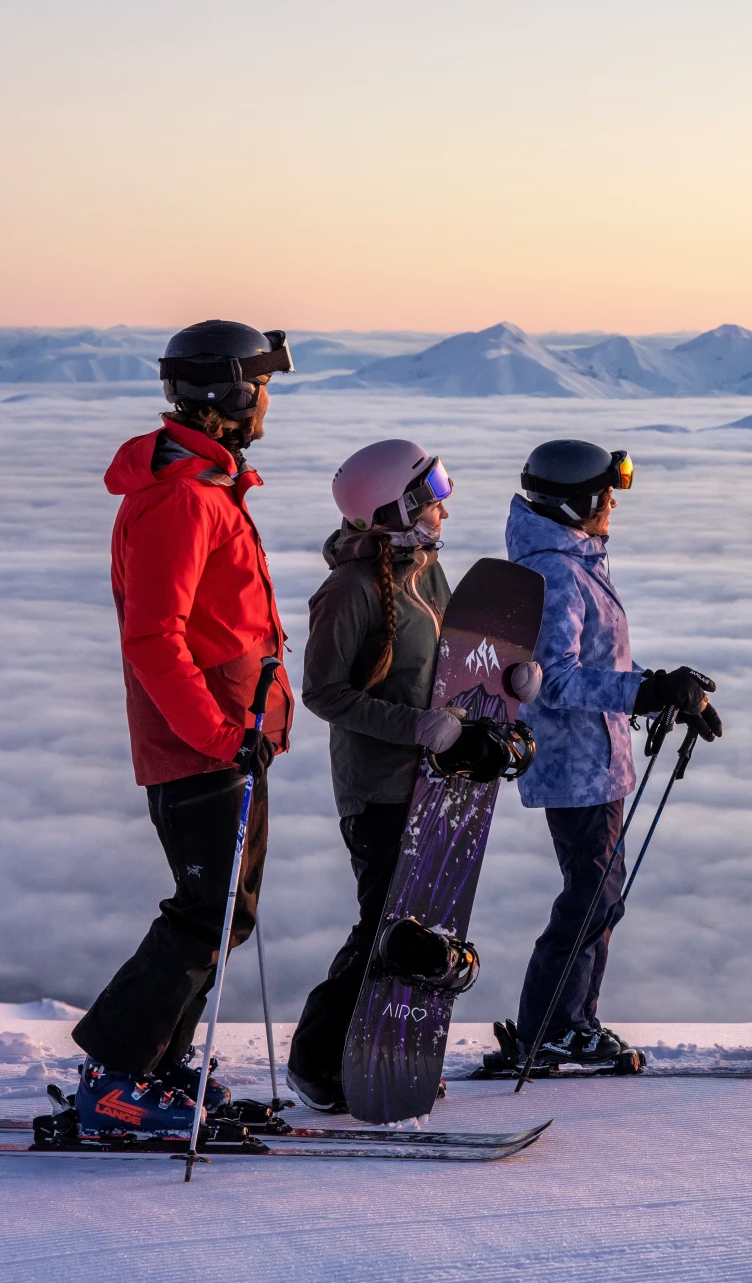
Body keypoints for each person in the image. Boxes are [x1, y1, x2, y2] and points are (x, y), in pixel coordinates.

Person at [70, 319, 296, 1139]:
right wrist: (216, 731)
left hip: (233, 738)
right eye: (262, 383)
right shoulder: (179, 502)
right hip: (202, 744)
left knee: (224, 915)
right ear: (230, 394)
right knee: (204, 913)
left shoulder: (209, 491)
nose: (269, 397)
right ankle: (117, 1079)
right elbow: (153, 638)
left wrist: (248, 725)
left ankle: (156, 1068)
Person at [480, 439, 715, 1077]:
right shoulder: (555, 571)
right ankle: (552, 1027)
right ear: (574, 500)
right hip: (575, 765)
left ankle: (569, 1022)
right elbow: (553, 679)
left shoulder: (573, 560)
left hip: (595, 760)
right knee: (591, 896)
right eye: (605, 492)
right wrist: (646, 689)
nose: (612, 502)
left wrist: (664, 690)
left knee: (598, 896)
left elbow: (598, 666)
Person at [283, 439, 469, 1113]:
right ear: (396, 507)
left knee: (415, 929)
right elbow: (325, 694)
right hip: (378, 788)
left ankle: (381, 1050)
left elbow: (453, 667)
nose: (444, 507)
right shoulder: (348, 590)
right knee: (383, 928)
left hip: (431, 782)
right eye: (432, 493)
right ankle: (316, 1061)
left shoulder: (428, 574)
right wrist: (414, 728)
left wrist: (503, 693)